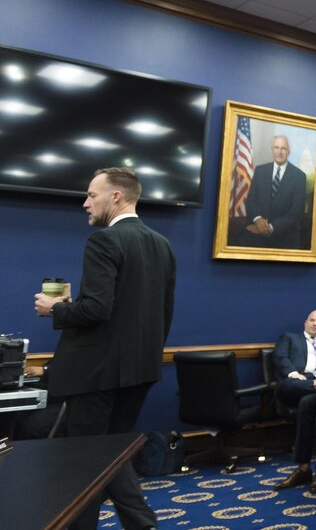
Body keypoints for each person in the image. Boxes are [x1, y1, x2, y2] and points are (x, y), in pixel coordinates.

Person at [33, 167, 176, 530]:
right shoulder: (162, 244)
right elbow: (164, 314)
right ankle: (142, 524)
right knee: (109, 456)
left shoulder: (103, 242)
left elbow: (97, 309)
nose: (85, 203)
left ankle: (142, 524)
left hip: (94, 376)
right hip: (140, 371)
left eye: (91, 195)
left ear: (116, 197)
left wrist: (57, 309)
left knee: (88, 462)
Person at [273, 309, 316, 494]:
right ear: (305, 323)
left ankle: (306, 468)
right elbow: (281, 359)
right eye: (312, 320)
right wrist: (295, 375)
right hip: (298, 381)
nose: (315, 324)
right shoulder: (290, 338)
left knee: (309, 403)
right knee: (286, 386)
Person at [239, 135, 306, 248]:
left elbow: (295, 213)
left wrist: (269, 227)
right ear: (272, 150)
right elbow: (251, 201)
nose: (279, 152)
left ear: (288, 152)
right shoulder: (260, 171)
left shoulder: (299, 176)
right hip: (257, 233)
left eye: (283, 148)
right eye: (276, 147)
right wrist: (258, 219)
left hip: (285, 236)